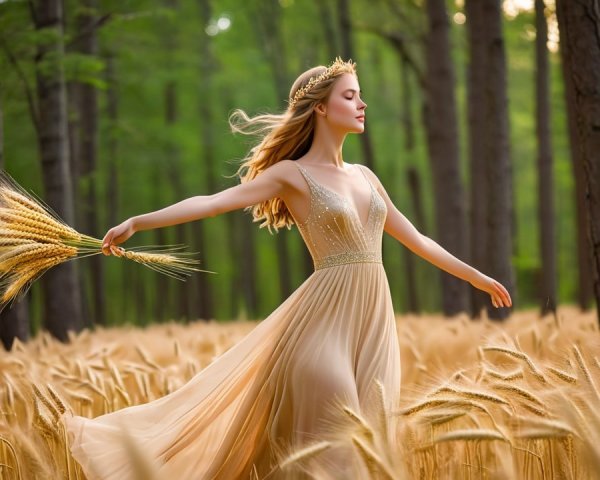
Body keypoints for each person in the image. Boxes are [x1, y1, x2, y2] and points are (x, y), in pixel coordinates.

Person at [62, 57, 512, 480]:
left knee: (366, 452)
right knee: (340, 455)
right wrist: (140, 221)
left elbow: (417, 239)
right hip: (321, 330)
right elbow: (214, 204)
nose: (362, 104)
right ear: (321, 107)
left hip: (374, 329)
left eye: (360, 96)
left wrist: (474, 275)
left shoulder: (367, 176)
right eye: (351, 96)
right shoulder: (291, 175)